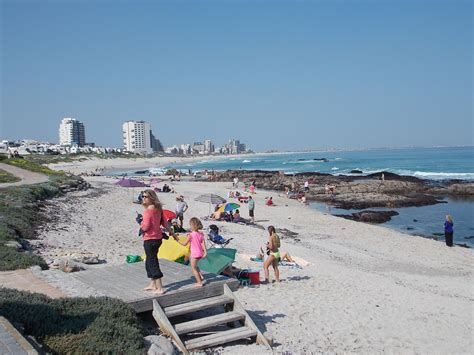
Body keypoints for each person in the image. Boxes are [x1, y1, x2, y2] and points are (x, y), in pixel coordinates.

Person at [138, 189, 176, 294]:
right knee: (149, 261)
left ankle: (160, 288)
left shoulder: (148, 211)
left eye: (146, 196)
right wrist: (172, 233)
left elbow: (145, 226)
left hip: (150, 239)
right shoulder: (158, 209)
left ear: (151, 198)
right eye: (143, 196)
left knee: (152, 262)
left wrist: (140, 224)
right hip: (158, 239)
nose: (143, 198)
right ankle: (153, 284)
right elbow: (165, 224)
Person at [177, 217, 207, 287]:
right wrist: (205, 252)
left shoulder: (191, 235)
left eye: (190, 225)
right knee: (195, 266)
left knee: (193, 268)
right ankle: (201, 276)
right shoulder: (200, 234)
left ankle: (199, 282)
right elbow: (203, 243)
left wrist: (177, 241)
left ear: (193, 226)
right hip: (200, 253)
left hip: (194, 254)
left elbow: (184, 243)